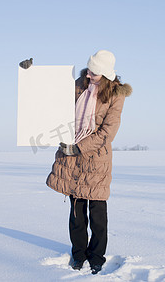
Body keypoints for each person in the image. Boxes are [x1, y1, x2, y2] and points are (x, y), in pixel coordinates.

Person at [20, 51, 132, 275]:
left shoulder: (115, 95)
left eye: (94, 72)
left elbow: (108, 132)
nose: (89, 75)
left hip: (96, 161)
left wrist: (80, 146)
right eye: (88, 70)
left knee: (98, 215)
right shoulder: (78, 85)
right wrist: (30, 75)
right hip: (72, 160)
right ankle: (79, 255)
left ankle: (97, 257)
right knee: (76, 213)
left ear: (106, 74)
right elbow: (50, 97)